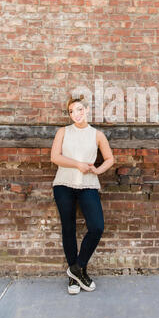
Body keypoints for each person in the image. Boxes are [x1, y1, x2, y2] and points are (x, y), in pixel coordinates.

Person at [51, 94, 115, 295]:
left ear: (87, 110)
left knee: (96, 226)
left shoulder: (97, 135)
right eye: (71, 111)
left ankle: (77, 269)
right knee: (68, 228)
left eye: (79, 109)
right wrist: (77, 164)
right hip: (63, 184)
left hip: (88, 184)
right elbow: (55, 157)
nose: (75, 114)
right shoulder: (63, 132)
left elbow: (110, 159)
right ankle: (75, 278)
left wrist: (98, 170)